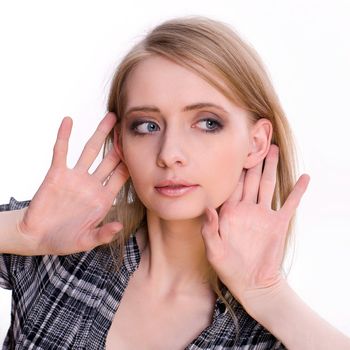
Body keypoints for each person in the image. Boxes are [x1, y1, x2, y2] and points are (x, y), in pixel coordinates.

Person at [0, 15, 349, 350]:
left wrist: (268, 295)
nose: (170, 154)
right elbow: (28, 235)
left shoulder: (272, 331)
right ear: (121, 142)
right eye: (147, 126)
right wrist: (20, 234)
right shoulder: (57, 247)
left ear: (255, 143)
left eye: (207, 123)